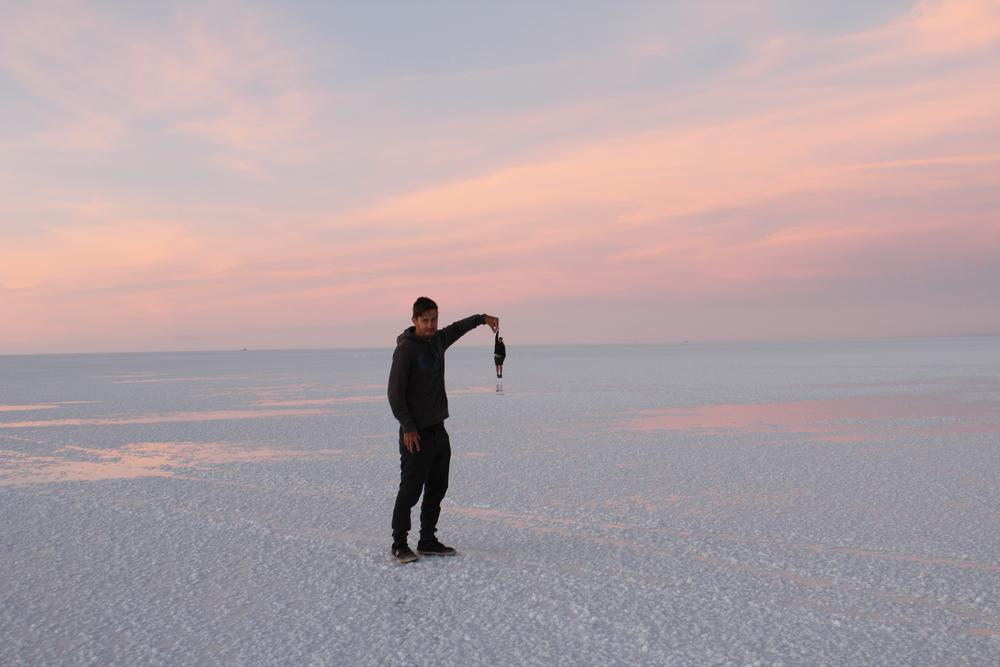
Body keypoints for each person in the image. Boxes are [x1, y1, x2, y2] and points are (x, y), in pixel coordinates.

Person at [387, 296, 499, 563]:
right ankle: (399, 543)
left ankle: (427, 540)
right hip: (415, 433)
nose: (430, 325)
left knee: (437, 488)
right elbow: (395, 394)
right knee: (411, 490)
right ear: (414, 320)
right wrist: (408, 427)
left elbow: (457, 328)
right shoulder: (406, 350)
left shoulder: (438, 341)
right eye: (425, 320)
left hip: (438, 429)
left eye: (434, 320)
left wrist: (482, 319)